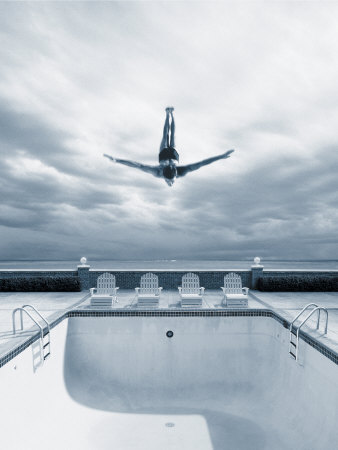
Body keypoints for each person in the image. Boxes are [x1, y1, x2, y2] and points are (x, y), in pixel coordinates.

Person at [104, 107, 234, 187]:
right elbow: (202, 163)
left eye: (169, 180)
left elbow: (137, 165)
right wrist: (221, 157)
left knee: (165, 135)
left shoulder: (157, 172)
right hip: (173, 155)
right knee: (172, 136)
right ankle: (171, 115)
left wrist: (117, 160)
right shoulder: (182, 171)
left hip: (163, 155)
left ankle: (168, 114)